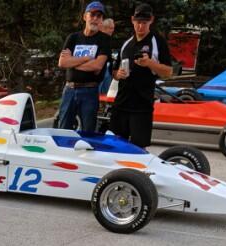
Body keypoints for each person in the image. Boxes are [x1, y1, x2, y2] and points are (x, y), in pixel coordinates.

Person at [110, 3, 173, 148]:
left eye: (144, 23)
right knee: (115, 145)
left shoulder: (157, 42)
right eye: (138, 22)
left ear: (151, 20)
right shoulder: (126, 43)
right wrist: (118, 74)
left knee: (139, 149)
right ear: (132, 20)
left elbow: (168, 72)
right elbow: (114, 71)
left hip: (142, 106)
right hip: (121, 104)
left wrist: (150, 63)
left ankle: (135, 172)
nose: (140, 26)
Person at [55, 2, 110, 131]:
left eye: (99, 16)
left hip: (90, 91)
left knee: (88, 132)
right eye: (92, 15)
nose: (95, 19)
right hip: (69, 89)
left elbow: (97, 66)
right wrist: (86, 59)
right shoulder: (73, 38)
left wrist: (72, 62)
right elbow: (62, 63)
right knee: (63, 130)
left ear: (101, 20)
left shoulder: (104, 39)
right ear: (85, 16)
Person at [99, 18, 116, 94]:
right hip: (100, 69)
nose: (112, 30)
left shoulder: (107, 39)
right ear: (104, 28)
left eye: (113, 28)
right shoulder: (99, 38)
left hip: (107, 68)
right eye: (111, 28)